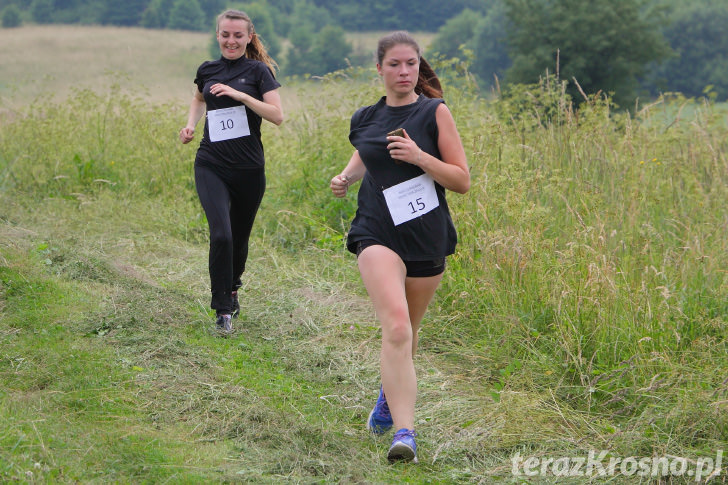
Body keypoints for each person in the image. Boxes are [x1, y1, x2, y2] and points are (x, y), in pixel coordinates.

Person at [330, 31, 470, 463]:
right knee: (396, 328)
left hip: (426, 236)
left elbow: (461, 180)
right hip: (376, 231)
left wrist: (419, 157)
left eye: (411, 63)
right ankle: (406, 435)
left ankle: (387, 400)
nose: (404, 71)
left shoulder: (434, 113)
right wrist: (347, 176)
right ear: (380, 69)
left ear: (418, 66)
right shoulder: (364, 117)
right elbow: (367, 152)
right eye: (395, 64)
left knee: (408, 335)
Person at [180, 9, 283, 335]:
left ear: (249, 37)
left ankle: (234, 285)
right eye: (225, 34)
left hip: (249, 170)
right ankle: (222, 309)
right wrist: (190, 125)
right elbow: (199, 98)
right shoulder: (208, 69)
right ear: (218, 35)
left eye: (238, 35)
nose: (231, 40)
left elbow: (277, 115)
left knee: (239, 239)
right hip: (211, 164)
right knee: (221, 234)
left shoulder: (258, 71)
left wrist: (240, 95)